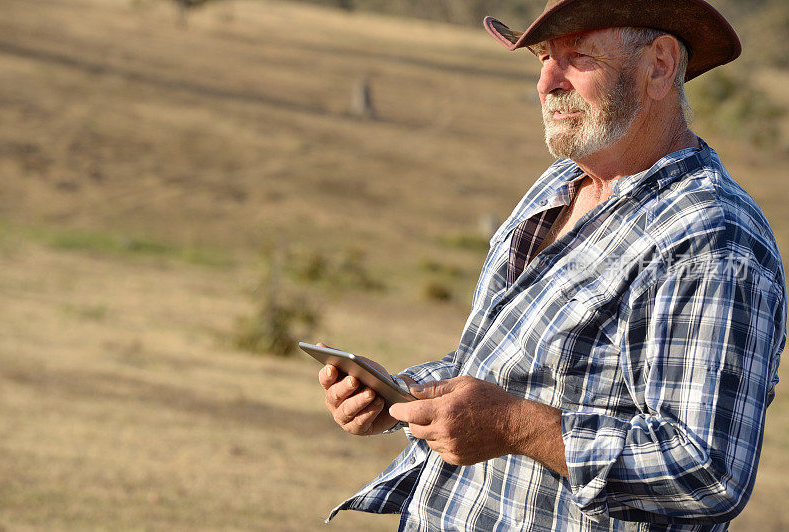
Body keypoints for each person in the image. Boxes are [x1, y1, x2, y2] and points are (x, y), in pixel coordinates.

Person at [318, 0, 786, 529]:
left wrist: (518, 427)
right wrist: (400, 396)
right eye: (543, 56)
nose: (547, 82)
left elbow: (708, 472)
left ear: (659, 65)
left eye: (579, 56)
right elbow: (510, 367)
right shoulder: (562, 184)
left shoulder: (712, 240)